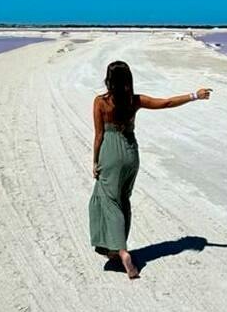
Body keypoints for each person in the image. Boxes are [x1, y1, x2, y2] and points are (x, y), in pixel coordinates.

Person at [89, 60, 211, 279]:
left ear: (109, 80)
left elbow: (99, 136)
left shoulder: (101, 102)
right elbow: (166, 103)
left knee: (109, 201)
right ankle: (115, 250)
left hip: (110, 154)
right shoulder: (134, 101)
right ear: (128, 80)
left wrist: (95, 161)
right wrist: (195, 95)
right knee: (124, 199)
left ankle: (121, 251)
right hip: (131, 153)